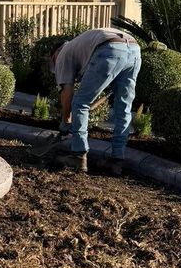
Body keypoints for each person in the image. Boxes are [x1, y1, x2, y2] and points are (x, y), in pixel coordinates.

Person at [49, 27, 141, 175]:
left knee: (80, 103)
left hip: (109, 48)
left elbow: (67, 93)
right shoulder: (81, 45)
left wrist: (65, 122)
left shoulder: (62, 55)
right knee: (123, 108)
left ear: (55, 54)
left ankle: (78, 155)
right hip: (134, 50)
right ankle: (116, 161)